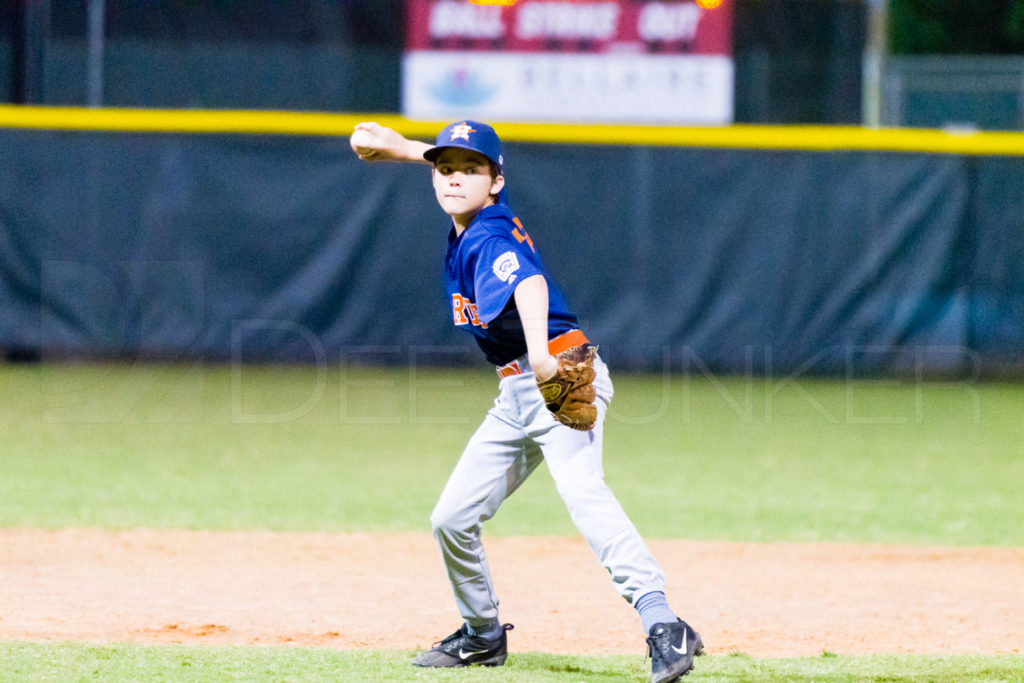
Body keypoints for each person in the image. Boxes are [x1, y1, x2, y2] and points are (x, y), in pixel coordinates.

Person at [350, 119, 704, 683]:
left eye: (470, 171)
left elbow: (529, 284)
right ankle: (482, 636)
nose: (454, 179)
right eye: (444, 169)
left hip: (558, 375)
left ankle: (665, 624)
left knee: (584, 493)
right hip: (514, 396)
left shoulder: (488, 235)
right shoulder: (478, 206)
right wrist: (401, 150)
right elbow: (459, 164)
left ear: (496, 182)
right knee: (451, 518)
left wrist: (540, 355)